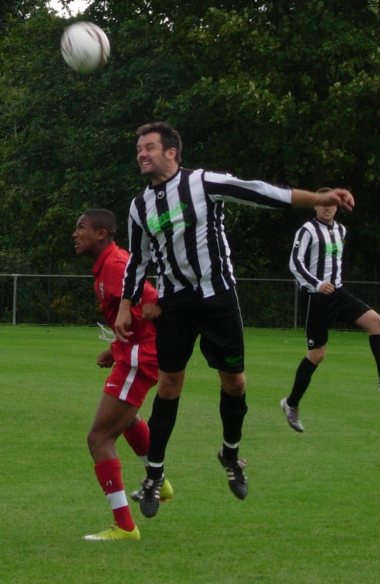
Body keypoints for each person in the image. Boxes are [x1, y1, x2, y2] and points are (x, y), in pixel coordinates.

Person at [114, 121, 355, 519]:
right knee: (169, 385)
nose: (142, 153)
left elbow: (261, 192)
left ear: (172, 152)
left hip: (217, 299)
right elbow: (138, 259)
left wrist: (318, 196)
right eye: (139, 148)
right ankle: (153, 473)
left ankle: (230, 454)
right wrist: (128, 303)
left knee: (235, 382)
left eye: (150, 147)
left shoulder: (204, 183)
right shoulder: (139, 206)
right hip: (174, 303)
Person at [73, 208, 173, 541]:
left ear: (102, 234)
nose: (76, 233)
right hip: (131, 354)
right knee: (126, 419)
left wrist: (138, 333)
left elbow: (155, 304)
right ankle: (158, 480)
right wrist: (115, 347)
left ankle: (125, 526)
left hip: (139, 357)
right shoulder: (108, 265)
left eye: (82, 227)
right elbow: (129, 312)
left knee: (99, 439)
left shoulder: (115, 265)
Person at [280, 193, 380, 433]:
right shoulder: (307, 230)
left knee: (376, 322)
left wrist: (331, 284)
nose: (327, 208)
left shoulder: (341, 230)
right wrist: (317, 283)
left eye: (332, 204)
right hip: (317, 298)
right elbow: (295, 263)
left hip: (339, 293)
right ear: (315, 206)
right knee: (317, 354)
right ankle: (291, 404)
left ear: (337, 208)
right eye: (323, 204)